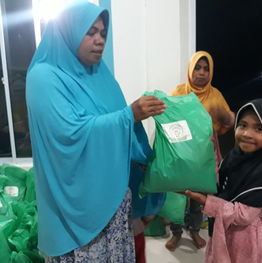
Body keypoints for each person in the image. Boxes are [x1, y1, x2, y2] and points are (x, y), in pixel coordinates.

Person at [25, 1, 166, 262]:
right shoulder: (44, 77)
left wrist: (149, 173)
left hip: (114, 203)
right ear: (68, 31)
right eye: (90, 32)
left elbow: (125, 129)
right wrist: (129, 115)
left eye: (103, 33)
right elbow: (68, 134)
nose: (99, 40)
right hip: (75, 208)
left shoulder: (101, 76)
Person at [183, 98, 262, 263]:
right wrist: (210, 156)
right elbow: (222, 181)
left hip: (245, 239)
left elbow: (244, 215)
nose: (247, 134)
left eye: (259, 128)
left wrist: (205, 201)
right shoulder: (236, 155)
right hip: (224, 230)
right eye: (243, 125)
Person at [166, 51, 235, 251]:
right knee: (178, 196)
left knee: (198, 198)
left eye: (206, 68)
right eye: (198, 67)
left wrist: (228, 118)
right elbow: (169, 120)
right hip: (181, 154)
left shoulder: (215, 95)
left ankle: (194, 230)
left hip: (204, 156)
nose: (202, 72)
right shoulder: (179, 92)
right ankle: (176, 233)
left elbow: (227, 122)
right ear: (190, 69)